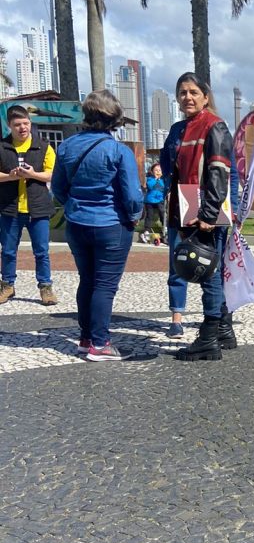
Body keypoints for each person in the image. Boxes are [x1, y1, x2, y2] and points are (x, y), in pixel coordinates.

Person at [50, 90, 143, 361]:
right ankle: (100, 344)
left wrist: (75, 204)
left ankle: (86, 338)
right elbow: (132, 195)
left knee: (87, 280)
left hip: (77, 224)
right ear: (114, 118)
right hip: (111, 224)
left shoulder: (66, 146)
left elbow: (58, 188)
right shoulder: (118, 151)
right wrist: (134, 215)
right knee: (105, 285)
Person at [160, 72, 238, 357]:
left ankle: (208, 337)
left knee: (208, 271)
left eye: (193, 92)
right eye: (182, 92)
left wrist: (208, 214)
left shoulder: (214, 126)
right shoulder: (178, 129)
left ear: (205, 97)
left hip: (205, 205)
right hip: (185, 200)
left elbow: (220, 171)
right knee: (205, 268)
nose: (188, 97)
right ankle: (223, 330)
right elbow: (169, 168)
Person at [0, 104, 58, 306]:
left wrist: (33, 174)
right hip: (10, 208)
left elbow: (52, 174)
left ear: (30, 123)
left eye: (26, 123)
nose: (22, 128)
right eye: (17, 124)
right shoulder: (2, 147)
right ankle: (7, 285)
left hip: (38, 208)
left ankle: (45, 287)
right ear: (9, 125)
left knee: (41, 251)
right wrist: (10, 176)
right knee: (8, 251)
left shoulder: (43, 147)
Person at [140, 162, 166, 244]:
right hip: (150, 200)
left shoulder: (163, 180)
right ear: (152, 171)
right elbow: (151, 186)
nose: (158, 172)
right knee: (149, 215)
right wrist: (155, 179)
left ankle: (165, 228)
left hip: (160, 199)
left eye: (160, 170)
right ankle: (146, 231)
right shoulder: (150, 179)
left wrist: (159, 179)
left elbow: (163, 187)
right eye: (156, 170)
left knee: (162, 212)